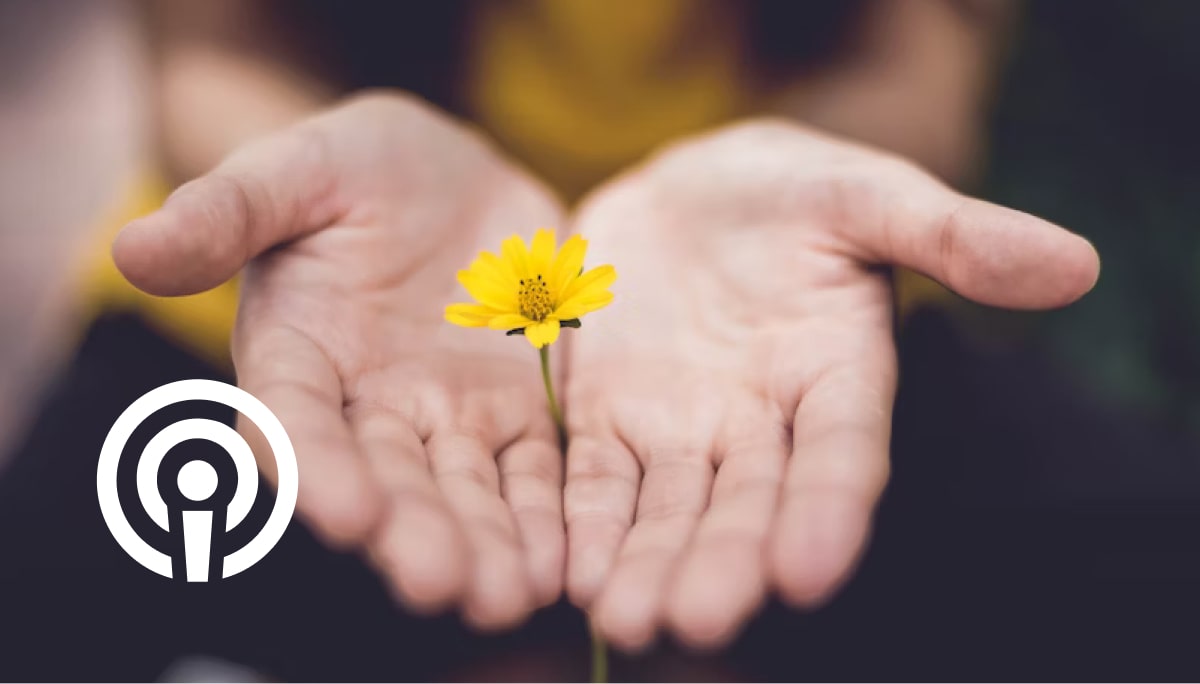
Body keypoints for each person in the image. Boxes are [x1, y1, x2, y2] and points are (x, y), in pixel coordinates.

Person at [2, 1, 1135, 680]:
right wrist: (301, 168)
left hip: (774, 325)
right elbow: (209, 42)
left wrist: (813, 169)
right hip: (317, 312)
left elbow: (922, 48)